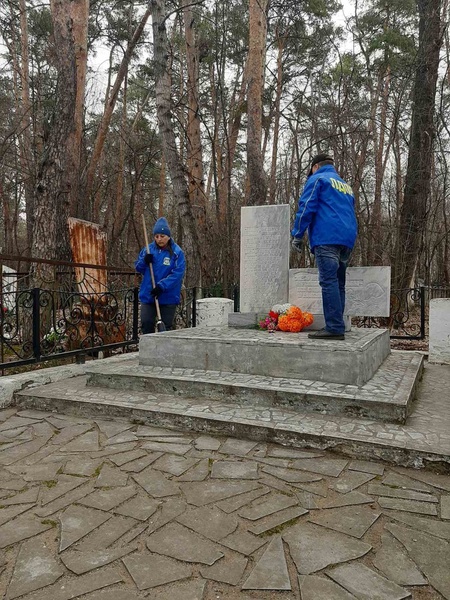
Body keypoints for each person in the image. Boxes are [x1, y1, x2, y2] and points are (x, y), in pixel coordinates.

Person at [291, 153, 357, 340]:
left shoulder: (317, 178)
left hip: (327, 236)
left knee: (328, 281)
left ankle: (334, 327)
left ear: (315, 166)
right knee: (339, 283)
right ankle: (338, 324)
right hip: (347, 239)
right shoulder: (345, 186)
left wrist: (297, 234)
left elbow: (306, 206)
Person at [135, 217, 186, 334]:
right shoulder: (148, 250)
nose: (159, 239)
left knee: (165, 329)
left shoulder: (177, 252)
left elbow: (178, 274)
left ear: (168, 236)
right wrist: (144, 261)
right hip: (149, 295)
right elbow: (139, 268)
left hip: (168, 297)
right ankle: (148, 350)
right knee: (146, 323)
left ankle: (164, 351)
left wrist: (162, 286)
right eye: (156, 236)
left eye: (162, 236)